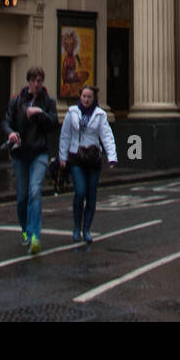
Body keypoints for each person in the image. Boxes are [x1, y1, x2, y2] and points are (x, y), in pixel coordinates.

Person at [3, 66, 58, 254]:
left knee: (35, 191)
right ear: (28, 81)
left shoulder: (48, 102)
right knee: (22, 197)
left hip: (39, 153)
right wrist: (11, 133)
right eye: (34, 80)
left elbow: (53, 124)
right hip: (20, 154)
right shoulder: (17, 101)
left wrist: (39, 113)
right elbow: (6, 122)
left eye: (40, 80)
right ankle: (26, 232)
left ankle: (35, 236)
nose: (37, 84)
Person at [58, 84, 117, 243]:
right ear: (80, 97)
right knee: (80, 191)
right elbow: (65, 135)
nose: (86, 99)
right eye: (83, 96)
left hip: (93, 158)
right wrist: (62, 157)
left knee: (91, 196)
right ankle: (77, 227)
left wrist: (112, 156)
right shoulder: (72, 113)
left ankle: (87, 229)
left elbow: (106, 136)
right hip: (76, 156)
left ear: (93, 98)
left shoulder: (100, 115)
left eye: (89, 97)